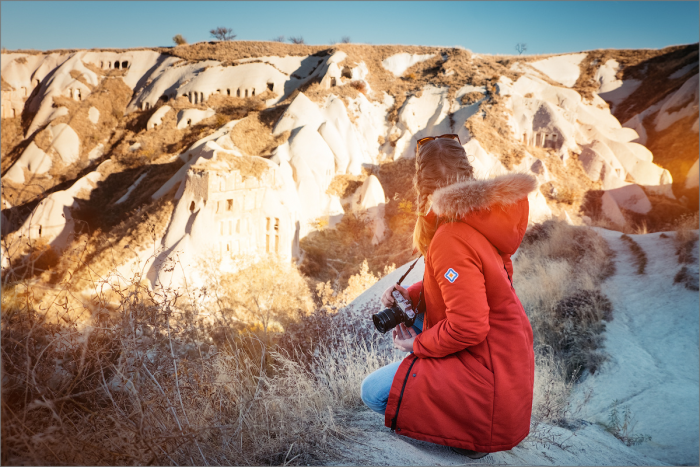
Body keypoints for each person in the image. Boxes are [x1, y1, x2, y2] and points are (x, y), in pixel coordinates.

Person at [360, 135, 537, 459]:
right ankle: (433, 383)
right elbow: (468, 286)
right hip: (506, 366)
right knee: (412, 322)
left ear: (421, 184)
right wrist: (411, 295)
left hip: (488, 384)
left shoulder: (450, 237)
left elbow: (469, 326)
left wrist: (416, 346)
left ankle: (463, 431)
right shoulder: (479, 218)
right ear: (467, 174)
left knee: (373, 393)